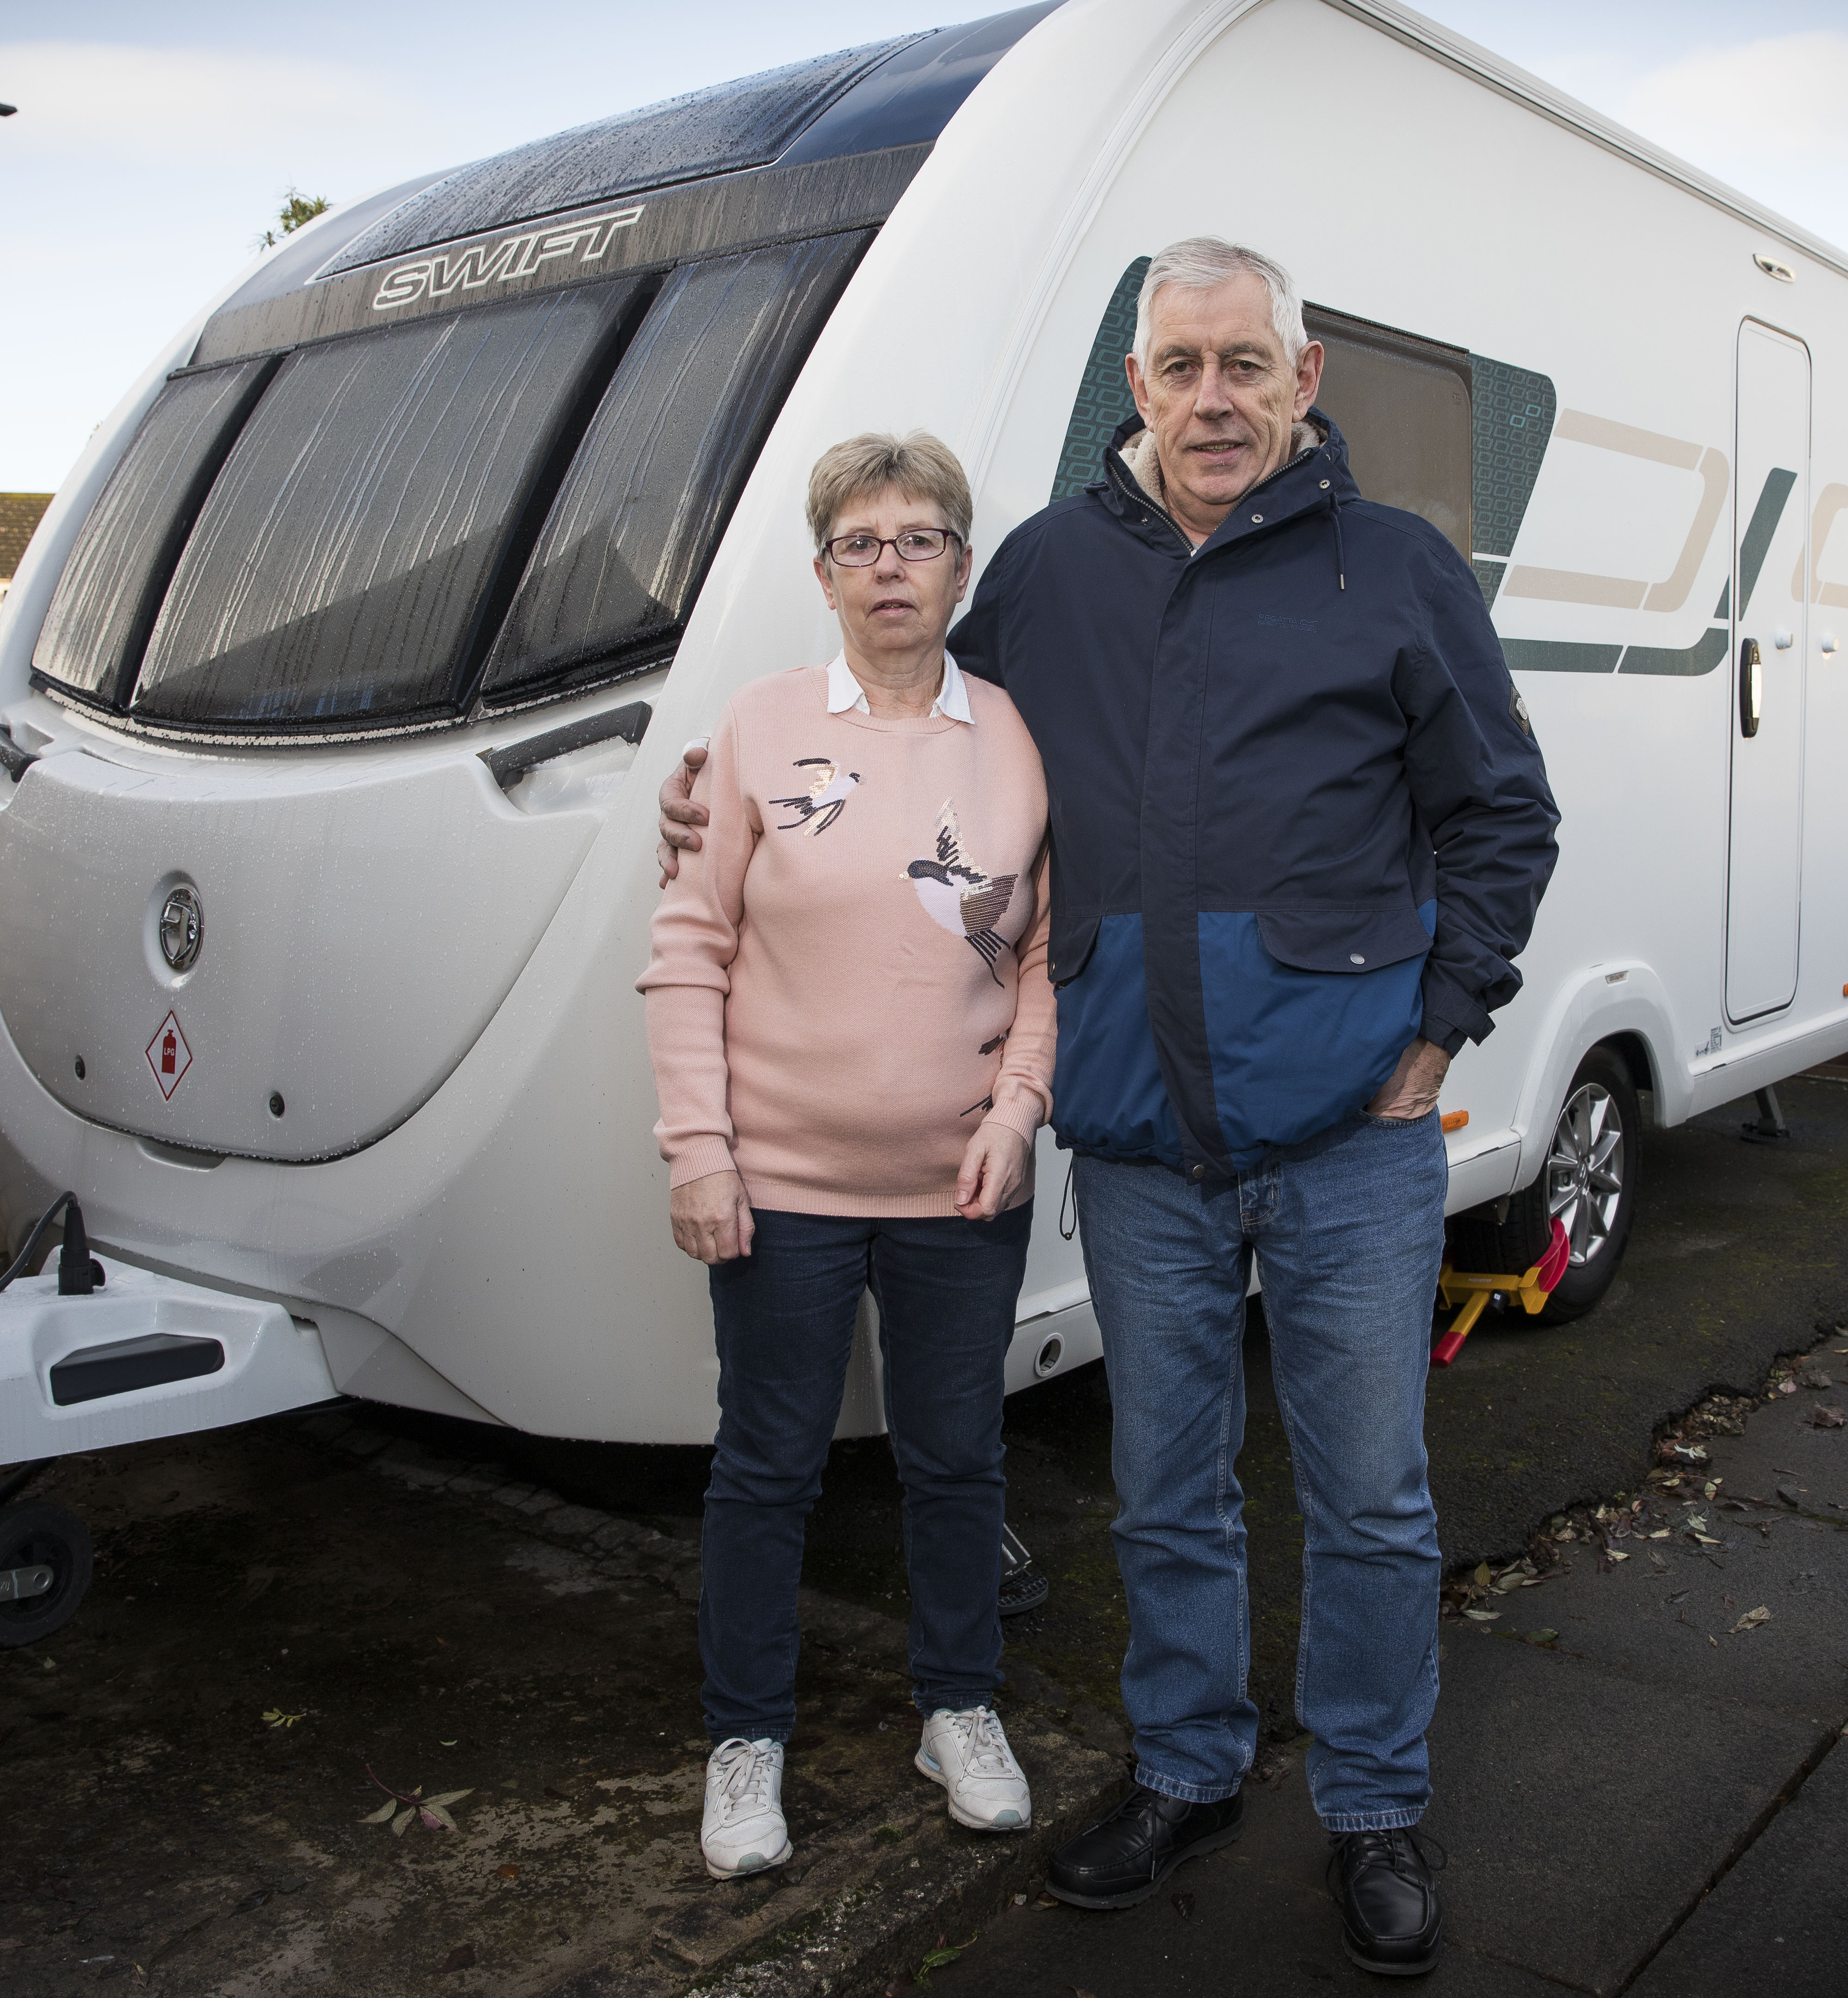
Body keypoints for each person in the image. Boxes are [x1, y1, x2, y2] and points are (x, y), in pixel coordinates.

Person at [661, 241, 1557, 1976]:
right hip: (1141, 1136)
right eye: (1179, 368)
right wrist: (725, 796)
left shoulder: (1401, 571)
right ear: (1133, 389)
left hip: (1355, 1134)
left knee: (1369, 1497)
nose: (1213, 398)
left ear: (1304, 382)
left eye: (1245, 364)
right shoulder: (1055, 575)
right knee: (1166, 1492)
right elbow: (932, 728)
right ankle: (1189, 1769)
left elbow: (1501, 819)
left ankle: (1373, 1805)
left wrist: (1445, 1031)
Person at [641, 431, 1055, 1881]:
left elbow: (1042, 957)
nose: (893, 566)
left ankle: (958, 1705)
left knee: (957, 1462)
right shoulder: (753, 731)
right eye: (863, 543)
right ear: (823, 572)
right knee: (767, 1471)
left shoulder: (1014, 735)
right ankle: (745, 1741)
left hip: (961, 1188)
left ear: (958, 564)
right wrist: (701, 1153)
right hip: (782, 1193)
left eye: (921, 538)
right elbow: (688, 951)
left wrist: (1017, 1112)